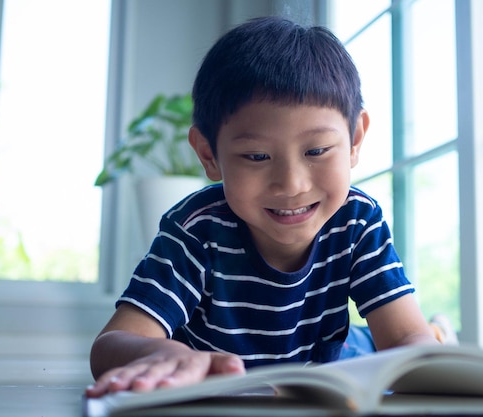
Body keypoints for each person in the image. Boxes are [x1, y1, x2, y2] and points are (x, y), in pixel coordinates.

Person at [86, 16, 444, 399]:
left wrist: (428, 356)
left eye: (317, 151)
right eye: (256, 156)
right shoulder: (196, 229)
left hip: (331, 361)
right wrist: (159, 351)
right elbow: (110, 344)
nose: (291, 184)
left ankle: (441, 331)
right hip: (246, 386)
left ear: (355, 140)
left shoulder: (357, 220)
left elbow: (404, 336)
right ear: (209, 155)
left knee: (374, 348)